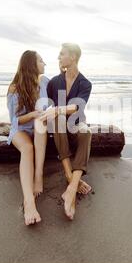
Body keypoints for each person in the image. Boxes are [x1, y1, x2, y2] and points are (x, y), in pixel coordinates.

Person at [40, 43, 92, 220]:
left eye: (62, 54)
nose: (58, 57)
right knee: (57, 119)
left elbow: (78, 106)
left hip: (76, 125)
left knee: (86, 132)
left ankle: (71, 188)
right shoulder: (54, 82)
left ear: (73, 57)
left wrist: (58, 109)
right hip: (59, 128)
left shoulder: (85, 83)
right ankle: (71, 178)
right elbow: (47, 107)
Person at [6, 50, 49, 225]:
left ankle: (38, 175)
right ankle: (28, 201)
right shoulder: (15, 87)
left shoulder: (44, 82)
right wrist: (32, 114)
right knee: (27, 148)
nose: (44, 63)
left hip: (39, 128)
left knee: (41, 121)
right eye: (40, 60)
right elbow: (14, 120)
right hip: (20, 129)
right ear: (31, 64)